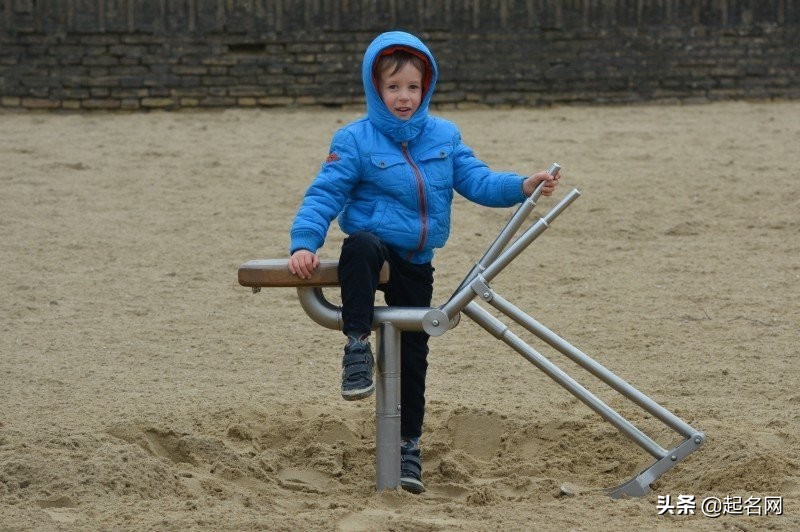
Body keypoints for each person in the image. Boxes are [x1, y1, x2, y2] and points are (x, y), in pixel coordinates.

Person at [287, 30, 559, 494]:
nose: (404, 97)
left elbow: (478, 181)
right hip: (375, 249)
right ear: (375, 88)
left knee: (413, 356)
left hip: (416, 261)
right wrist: (303, 243)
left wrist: (522, 186)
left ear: (426, 87)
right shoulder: (354, 139)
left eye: (413, 87)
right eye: (393, 87)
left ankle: (408, 446)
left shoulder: (444, 135)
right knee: (359, 245)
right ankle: (356, 345)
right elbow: (324, 194)